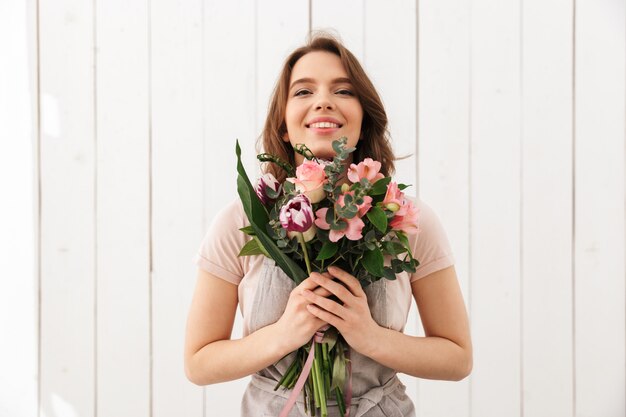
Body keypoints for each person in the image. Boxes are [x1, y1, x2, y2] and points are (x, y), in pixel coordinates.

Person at [184, 32, 472, 417]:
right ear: (284, 125)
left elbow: (457, 358)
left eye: (344, 91)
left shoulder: (404, 217)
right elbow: (199, 363)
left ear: (363, 117)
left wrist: (368, 336)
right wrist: (285, 334)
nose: (323, 100)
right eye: (303, 92)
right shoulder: (242, 221)